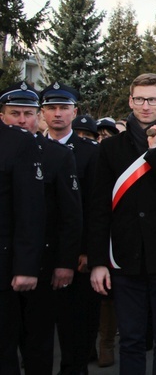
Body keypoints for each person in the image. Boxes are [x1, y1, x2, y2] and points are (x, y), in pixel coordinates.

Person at [89, 73, 156, 375]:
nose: (145, 105)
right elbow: (99, 208)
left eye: (152, 99)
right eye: (139, 99)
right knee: (132, 340)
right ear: (130, 101)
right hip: (125, 258)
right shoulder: (111, 149)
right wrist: (98, 261)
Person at [1, 82, 78, 375]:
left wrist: (64, 263)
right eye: (14, 114)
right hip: (6, 263)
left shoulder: (57, 155)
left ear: (39, 117)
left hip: (44, 264)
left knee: (38, 344)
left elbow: (70, 216)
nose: (22, 120)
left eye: (28, 114)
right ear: (3, 116)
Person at [40, 81, 102, 374]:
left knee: (76, 336)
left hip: (78, 258)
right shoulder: (31, 148)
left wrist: (89, 251)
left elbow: (95, 206)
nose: (57, 114)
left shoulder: (90, 151)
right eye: (51, 108)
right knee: (36, 338)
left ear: (74, 112)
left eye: (63, 108)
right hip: (39, 255)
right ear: (42, 113)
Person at [0, 98, 45, 375]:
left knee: (4, 352)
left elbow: (30, 210)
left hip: (3, 267)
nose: (20, 118)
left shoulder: (17, 143)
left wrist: (26, 267)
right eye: (13, 112)